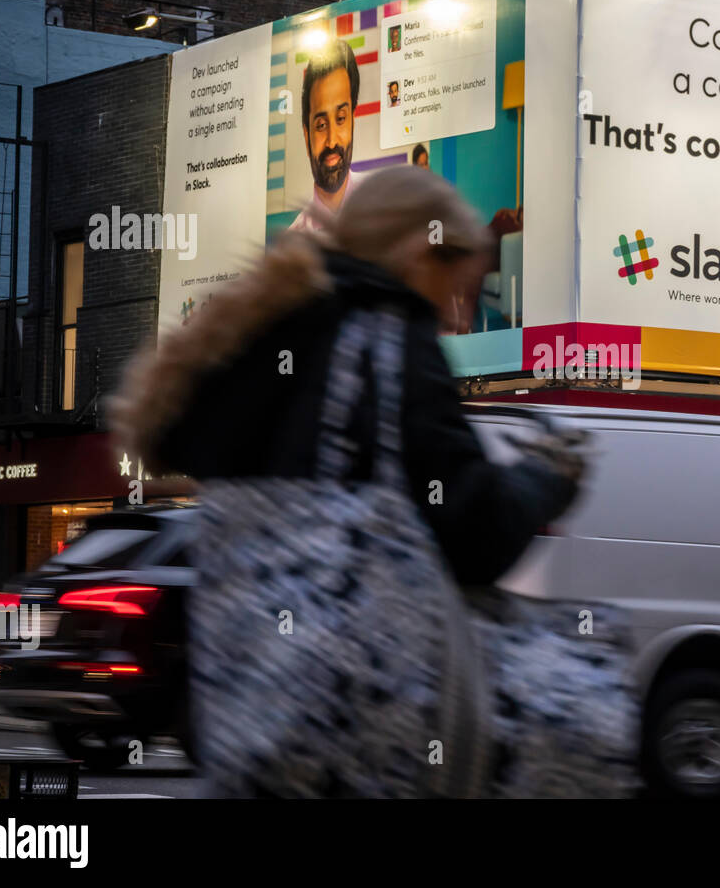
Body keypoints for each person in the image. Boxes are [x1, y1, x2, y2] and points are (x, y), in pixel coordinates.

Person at [109, 167, 638, 797]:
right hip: (369, 733)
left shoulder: (259, 343)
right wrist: (548, 474)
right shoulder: (389, 341)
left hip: (258, 720)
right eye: (456, 289)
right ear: (421, 254)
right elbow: (476, 536)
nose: (452, 315)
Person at [289, 38, 366, 231]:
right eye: (321, 125)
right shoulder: (295, 244)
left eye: (340, 119)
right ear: (307, 137)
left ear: (353, 122)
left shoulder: (386, 208)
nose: (332, 141)